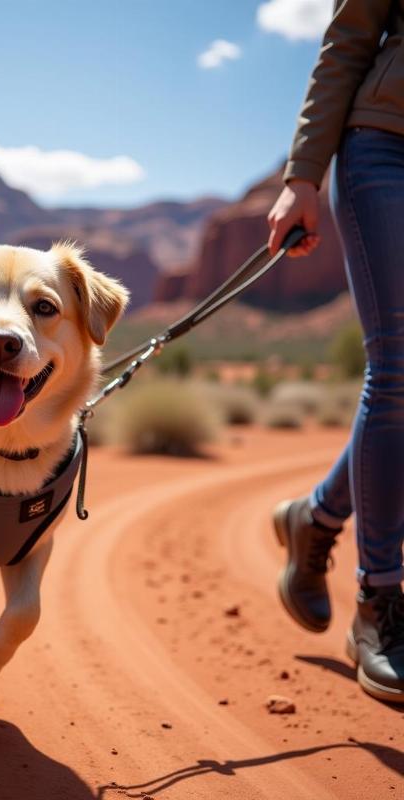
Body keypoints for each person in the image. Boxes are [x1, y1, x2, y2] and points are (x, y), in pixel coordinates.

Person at [268, 0, 404, 703]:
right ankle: (378, 603)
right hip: (388, 143)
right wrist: (302, 176)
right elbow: (349, 37)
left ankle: (314, 518)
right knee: (399, 364)